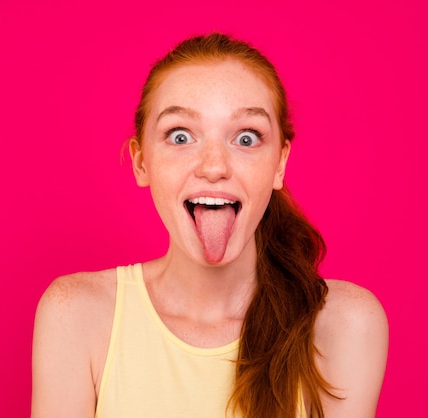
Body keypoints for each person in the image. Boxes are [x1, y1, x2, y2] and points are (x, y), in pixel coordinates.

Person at [31, 33, 388, 418]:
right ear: (141, 163)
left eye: (246, 138)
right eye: (180, 136)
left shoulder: (344, 323)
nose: (214, 167)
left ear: (280, 163)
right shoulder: (77, 314)